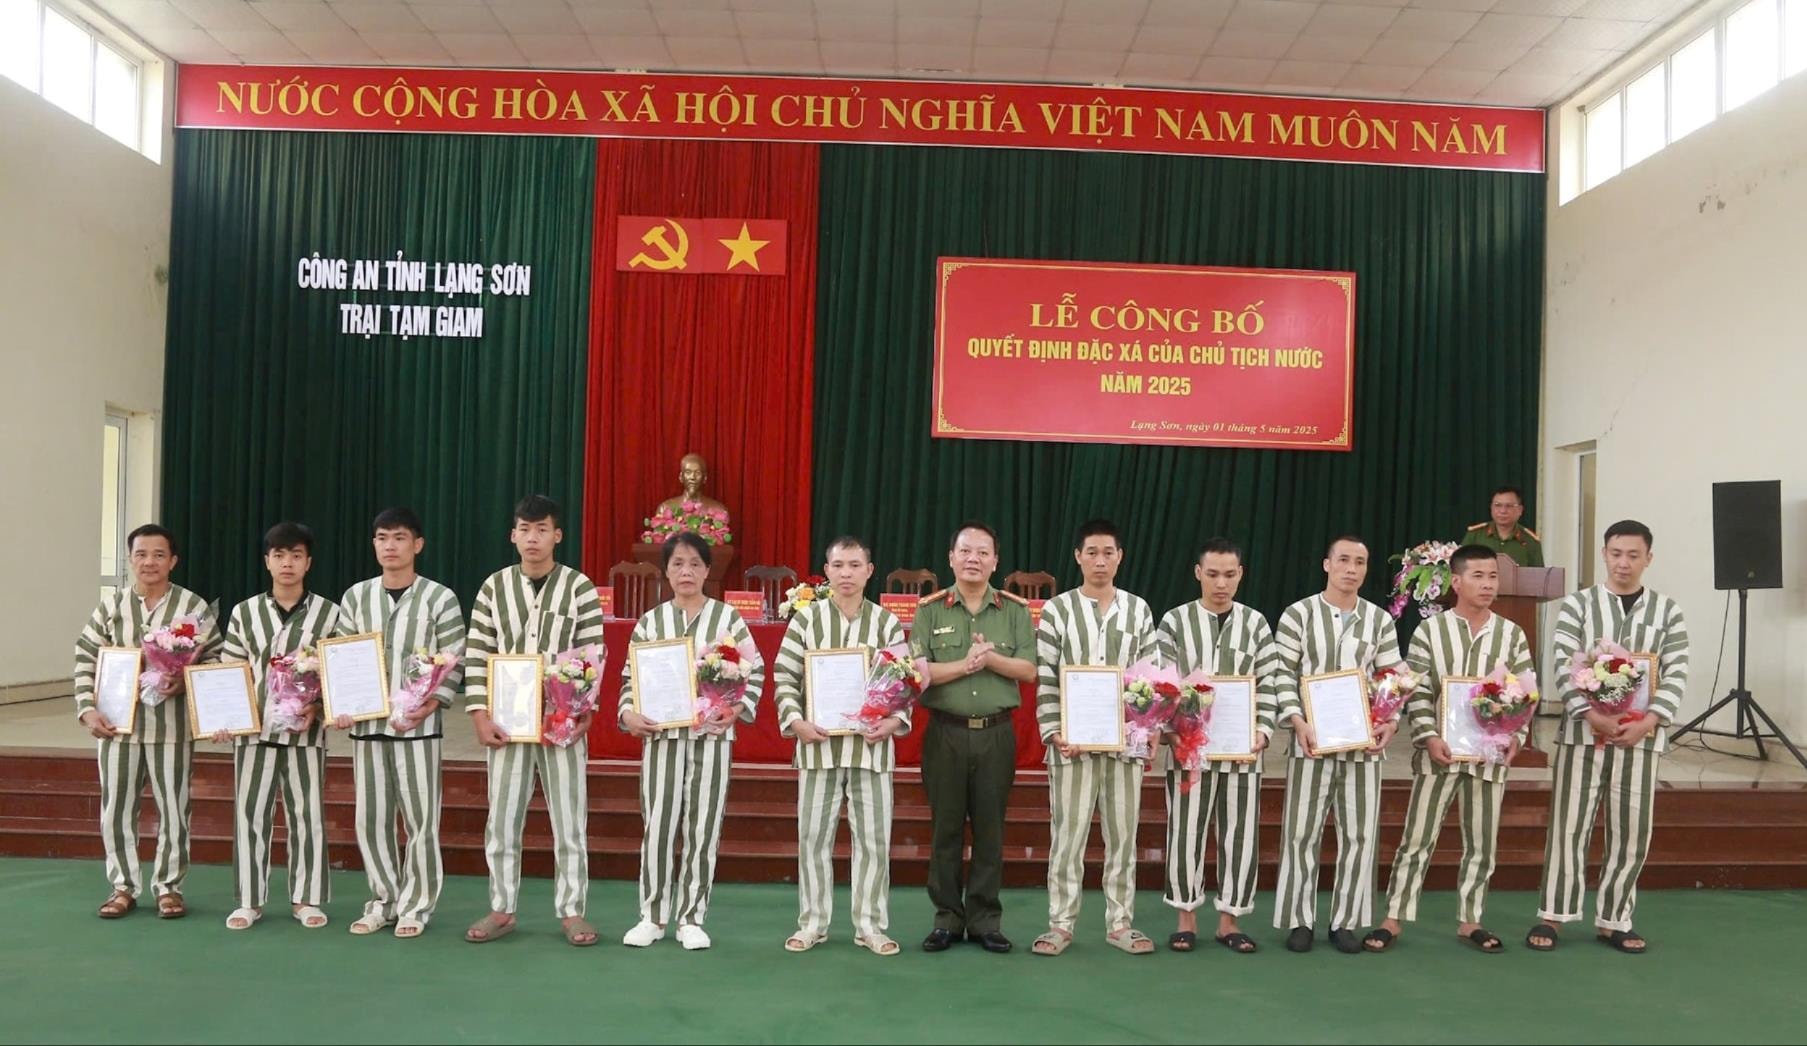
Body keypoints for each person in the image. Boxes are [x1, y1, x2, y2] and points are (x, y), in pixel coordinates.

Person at [1528, 519, 1688, 955]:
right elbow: (1562, 663)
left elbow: (1677, 670)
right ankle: (1553, 914)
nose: (1623, 563)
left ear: (1648, 558)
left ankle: (1615, 919)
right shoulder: (1577, 606)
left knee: (1632, 831)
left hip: (1641, 740)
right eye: (1616, 553)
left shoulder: (1667, 611)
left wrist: (1649, 721)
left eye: (1633, 555)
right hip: (1583, 736)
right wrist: (1589, 714)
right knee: (1568, 826)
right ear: (1604, 554)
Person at [1365, 545, 1532, 954]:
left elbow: (1524, 692)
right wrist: (1429, 737)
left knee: (1482, 842)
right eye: (1478, 576)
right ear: (1456, 582)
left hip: (1489, 757)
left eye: (1492, 576)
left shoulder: (1511, 634)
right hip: (1438, 755)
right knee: (1417, 838)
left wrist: (1516, 736)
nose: (1487, 584)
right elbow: (1418, 693)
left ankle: (1471, 920)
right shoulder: (1430, 632)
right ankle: (1393, 918)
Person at [463, 495, 605, 947]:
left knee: (569, 819)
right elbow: (477, 653)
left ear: (557, 535)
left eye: (542, 529)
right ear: (513, 535)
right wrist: (479, 713)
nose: (533, 538)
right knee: (502, 818)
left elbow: (593, 653)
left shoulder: (579, 587)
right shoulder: (494, 588)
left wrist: (584, 710)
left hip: (562, 721)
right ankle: (502, 907)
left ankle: (572, 910)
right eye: (525, 529)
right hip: (507, 722)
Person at [619, 531, 766, 951]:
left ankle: (691, 917)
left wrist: (735, 709)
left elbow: (754, 671)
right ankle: (652, 915)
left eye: (695, 564)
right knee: (658, 825)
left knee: (703, 826)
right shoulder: (650, 622)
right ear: (666, 571)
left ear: (707, 571)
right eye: (678, 564)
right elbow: (630, 679)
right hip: (662, 738)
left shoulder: (728, 619)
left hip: (712, 737)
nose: (686, 572)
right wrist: (628, 714)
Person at [73, 523, 219, 920]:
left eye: (158, 555)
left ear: (173, 560)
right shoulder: (112, 606)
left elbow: (215, 660)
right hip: (116, 729)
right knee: (116, 809)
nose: (149, 562)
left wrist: (183, 682)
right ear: (129, 559)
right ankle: (123, 886)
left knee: (175, 809)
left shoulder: (192, 607)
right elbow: (85, 655)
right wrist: (87, 709)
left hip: (172, 730)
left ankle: (169, 887)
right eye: (141, 554)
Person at [333, 507, 465, 938]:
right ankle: (382, 901)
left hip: (418, 728)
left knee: (421, 820)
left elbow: (455, 658)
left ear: (417, 544)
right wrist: (341, 702)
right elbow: (342, 656)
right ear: (374, 544)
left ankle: (417, 906)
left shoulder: (440, 598)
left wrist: (434, 702)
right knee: (370, 818)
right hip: (368, 727)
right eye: (382, 538)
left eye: (399, 538)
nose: (390, 546)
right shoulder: (356, 597)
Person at [773, 536, 908, 955]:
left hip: (871, 749)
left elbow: (902, 682)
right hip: (818, 748)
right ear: (826, 571)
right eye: (838, 565)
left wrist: (893, 721)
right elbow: (784, 677)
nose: (846, 573)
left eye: (854, 565)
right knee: (813, 838)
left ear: (869, 571)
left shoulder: (886, 623)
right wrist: (796, 721)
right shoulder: (806, 621)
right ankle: (812, 922)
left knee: (874, 840)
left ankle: (871, 925)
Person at [1031, 519, 1160, 957]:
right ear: (1078, 557)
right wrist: (1055, 732)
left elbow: (1149, 678)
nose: (1100, 561)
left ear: (1120, 557)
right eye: (1092, 552)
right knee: (1067, 835)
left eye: (1108, 552)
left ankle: (1120, 923)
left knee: (1123, 836)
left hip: (1125, 745)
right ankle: (1060, 923)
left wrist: (1148, 729)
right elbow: (1047, 677)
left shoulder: (1138, 610)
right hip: (1072, 745)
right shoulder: (1058, 610)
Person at [1272, 535, 1405, 954]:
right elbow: (1281, 673)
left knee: (1360, 836)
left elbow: (1393, 677)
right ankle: (1300, 920)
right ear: (1326, 564)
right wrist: (1297, 721)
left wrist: (1391, 721)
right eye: (1344, 560)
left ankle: (1345, 921)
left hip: (1363, 747)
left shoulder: (1379, 620)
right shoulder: (1298, 614)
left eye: (1360, 562)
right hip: (1310, 743)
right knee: (1301, 833)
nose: (1351, 568)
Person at [913, 521, 1036, 955]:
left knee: (990, 830)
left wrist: (991, 659)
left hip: (996, 735)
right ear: (951, 558)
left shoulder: (1014, 611)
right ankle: (947, 918)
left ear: (995, 561)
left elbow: (1029, 670)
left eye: (983, 552)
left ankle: (985, 920)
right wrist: (964, 665)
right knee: (945, 829)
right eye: (965, 551)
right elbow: (918, 673)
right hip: (945, 733)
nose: (973, 559)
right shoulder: (930, 610)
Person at [1155, 537, 1279, 955]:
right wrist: (1171, 731)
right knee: (1185, 830)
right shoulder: (1175, 622)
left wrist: (1263, 731)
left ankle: (1230, 921)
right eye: (1212, 574)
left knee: (1240, 834)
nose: (1221, 583)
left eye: (1229, 575)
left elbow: (1270, 683)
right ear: (1198, 573)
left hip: (1242, 751)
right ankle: (1185, 918)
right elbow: (1162, 683)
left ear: (1240, 574)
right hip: (1188, 749)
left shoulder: (1256, 624)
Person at [221, 521, 342, 930]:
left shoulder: (330, 613)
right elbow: (230, 670)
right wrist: (223, 717)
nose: (287, 563)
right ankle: (249, 900)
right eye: (279, 555)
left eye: (295, 555)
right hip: (253, 733)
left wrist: (319, 707)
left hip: (305, 734)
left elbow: (339, 672)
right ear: (267, 561)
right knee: (250, 815)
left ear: (308, 562)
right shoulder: (244, 613)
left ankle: (306, 899)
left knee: (307, 815)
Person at [1462, 486, 1544, 567]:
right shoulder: (1475, 535)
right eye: (1498, 505)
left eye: (1509, 506)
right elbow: (1460, 567)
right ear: (1491, 508)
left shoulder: (1531, 542)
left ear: (1520, 510)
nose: (1503, 511)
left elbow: (1539, 574)